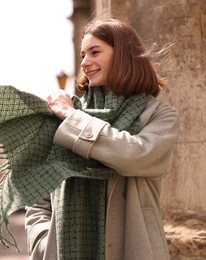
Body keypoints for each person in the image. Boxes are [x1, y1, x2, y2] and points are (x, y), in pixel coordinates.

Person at [24, 18, 180, 260]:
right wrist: (42, 239)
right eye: (83, 55)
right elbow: (38, 193)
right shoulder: (63, 117)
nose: (85, 63)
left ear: (123, 56)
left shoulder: (159, 116)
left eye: (95, 52)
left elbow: (133, 156)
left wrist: (72, 118)